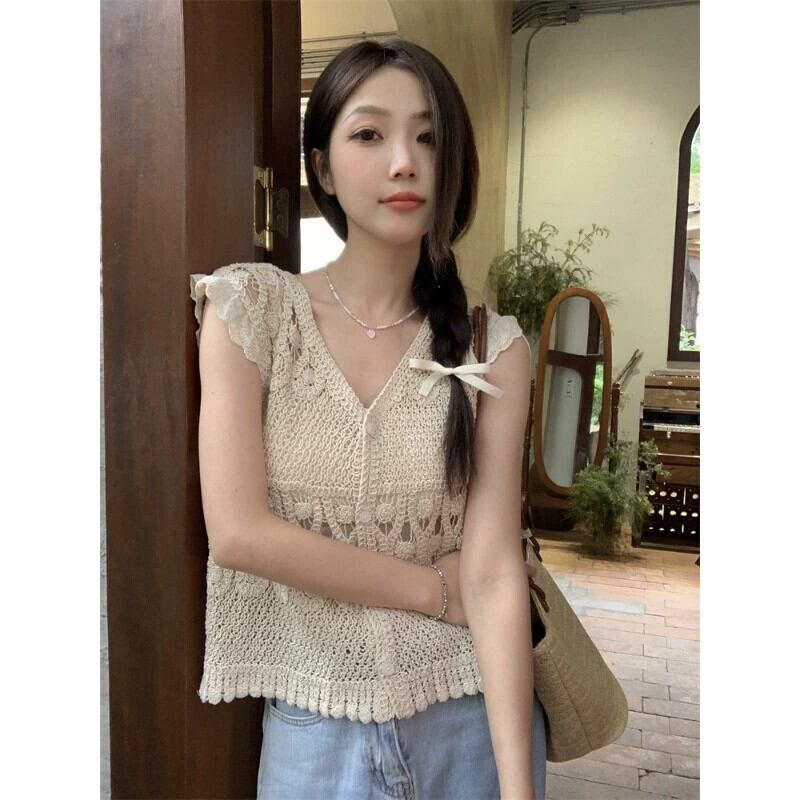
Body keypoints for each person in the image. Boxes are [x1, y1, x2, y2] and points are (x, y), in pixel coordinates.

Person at [190, 38, 546, 800]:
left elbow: (492, 574)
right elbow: (239, 533)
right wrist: (432, 591)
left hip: (467, 724)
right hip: (314, 735)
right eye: (370, 134)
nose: (404, 162)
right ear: (322, 168)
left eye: (428, 137)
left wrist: (519, 790)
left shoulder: (495, 349)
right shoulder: (252, 312)